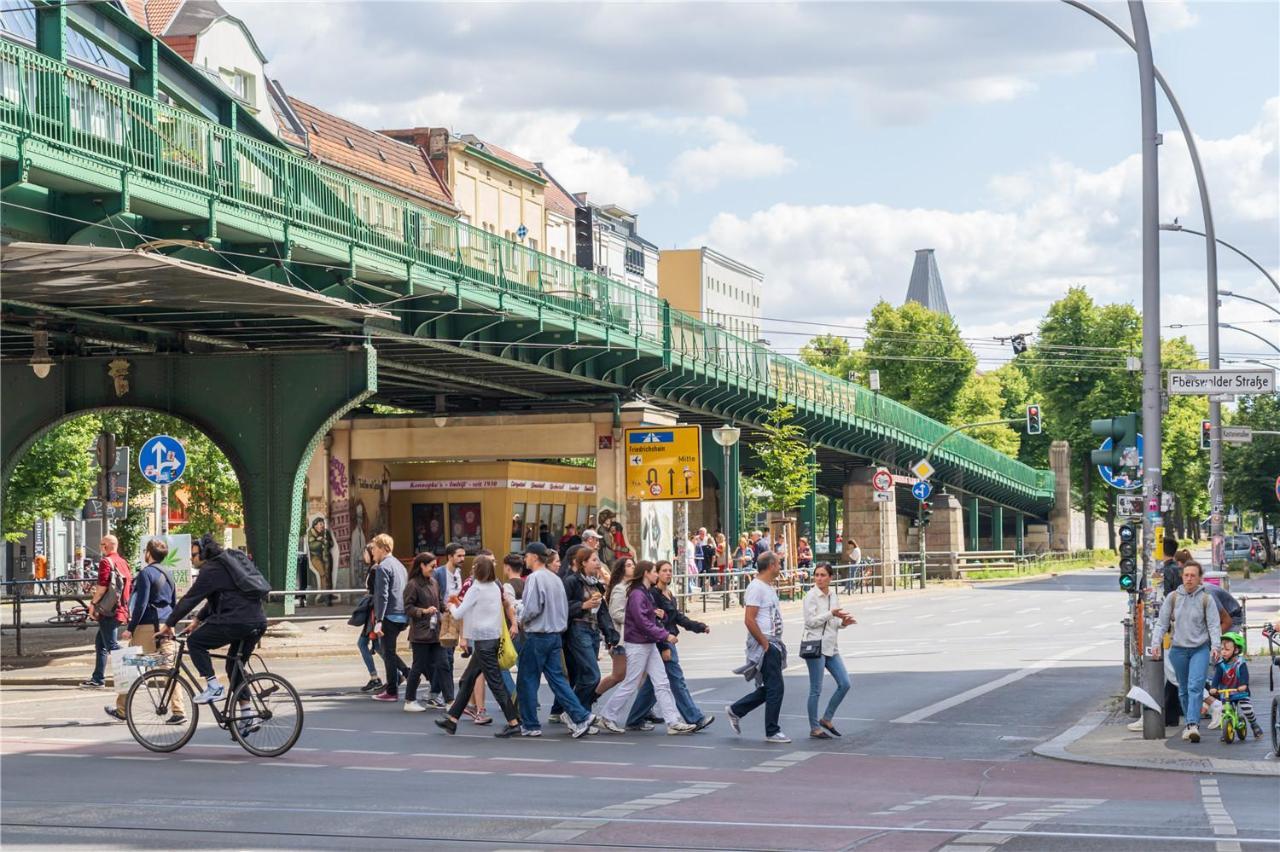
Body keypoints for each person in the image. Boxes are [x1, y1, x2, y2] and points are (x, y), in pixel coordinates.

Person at [157, 536, 267, 734]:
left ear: (204, 554)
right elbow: (217, 598)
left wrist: (168, 624)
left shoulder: (210, 570)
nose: (191, 559)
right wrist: (198, 621)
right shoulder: (228, 566)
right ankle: (247, 715)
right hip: (257, 621)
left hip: (236, 621)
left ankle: (213, 685)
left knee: (196, 642)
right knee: (235, 665)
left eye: (193, 555)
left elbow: (191, 598)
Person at [597, 561, 696, 736]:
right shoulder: (637, 594)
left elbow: (646, 616)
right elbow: (642, 622)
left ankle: (673, 721)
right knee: (631, 682)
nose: (657, 575)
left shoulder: (643, 593)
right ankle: (607, 715)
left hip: (647, 643)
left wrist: (660, 614)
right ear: (646, 574)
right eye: (654, 572)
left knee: (662, 682)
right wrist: (665, 635)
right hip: (637, 644)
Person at [515, 542, 596, 737]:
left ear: (534, 557)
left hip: (538, 635)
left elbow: (533, 608)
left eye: (526, 556)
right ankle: (580, 716)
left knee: (527, 680)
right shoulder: (556, 579)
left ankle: (531, 725)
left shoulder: (535, 578)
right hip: (555, 635)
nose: (525, 559)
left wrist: (520, 616)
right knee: (558, 680)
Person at [436, 555, 522, 738]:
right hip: (493, 638)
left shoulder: (475, 588)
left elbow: (459, 614)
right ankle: (452, 720)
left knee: (495, 683)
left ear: (478, 571)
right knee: (467, 680)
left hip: (482, 642)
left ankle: (513, 722)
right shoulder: (495, 586)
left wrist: (451, 605)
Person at [624, 559, 714, 732]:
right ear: (655, 573)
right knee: (676, 680)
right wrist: (664, 646)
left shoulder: (669, 594)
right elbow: (653, 622)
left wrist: (699, 627)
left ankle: (634, 719)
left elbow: (677, 618)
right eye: (663, 570)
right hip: (662, 641)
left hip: (666, 638)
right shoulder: (653, 594)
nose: (667, 573)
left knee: (653, 685)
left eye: (669, 571)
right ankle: (695, 718)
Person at [106, 538, 179, 723]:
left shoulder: (146, 573)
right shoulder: (169, 574)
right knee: (170, 668)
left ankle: (122, 709)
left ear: (148, 553)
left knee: (130, 665)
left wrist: (130, 629)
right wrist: (171, 623)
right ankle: (179, 711)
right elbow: (173, 602)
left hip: (147, 627)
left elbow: (141, 603)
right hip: (166, 625)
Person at [1150, 559, 1222, 743]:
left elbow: (1214, 626)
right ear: (1182, 576)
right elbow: (1162, 623)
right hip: (1179, 650)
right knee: (1182, 689)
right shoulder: (1173, 598)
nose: (1189, 579)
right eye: (1186, 575)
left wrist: (1216, 647)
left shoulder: (1207, 599)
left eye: (1193, 576)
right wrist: (1155, 643)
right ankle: (1190, 725)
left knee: (1195, 686)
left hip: (1200, 649)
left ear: (1199, 579)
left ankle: (1192, 725)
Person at [727, 551, 789, 743]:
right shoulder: (756, 587)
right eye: (778, 564)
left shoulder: (768, 586)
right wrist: (765, 644)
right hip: (766, 643)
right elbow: (749, 619)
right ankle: (772, 731)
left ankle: (736, 710)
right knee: (776, 688)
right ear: (770, 565)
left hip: (773, 643)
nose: (780, 567)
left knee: (771, 687)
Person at [802, 563, 855, 739]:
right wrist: (831, 614)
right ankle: (814, 727)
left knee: (845, 683)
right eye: (817, 575)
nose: (819, 578)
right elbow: (810, 622)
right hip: (816, 646)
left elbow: (833, 623)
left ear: (830, 578)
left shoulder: (833, 596)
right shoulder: (811, 596)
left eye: (823, 575)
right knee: (815, 689)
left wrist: (844, 623)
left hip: (832, 647)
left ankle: (827, 718)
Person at [81, 534, 133, 689]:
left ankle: (137, 672)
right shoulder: (123, 562)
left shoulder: (106, 562)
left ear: (108, 546)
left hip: (109, 610)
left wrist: (93, 603)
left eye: (102, 544)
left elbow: (102, 586)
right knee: (101, 644)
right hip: (121, 608)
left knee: (111, 646)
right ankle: (97, 679)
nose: (100, 547)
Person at [402, 552, 446, 712]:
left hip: (435, 631)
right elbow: (408, 608)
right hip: (420, 633)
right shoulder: (413, 584)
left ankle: (448, 699)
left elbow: (439, 602)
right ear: (422, 565)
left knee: (443, 664)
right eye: (432, 566)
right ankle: (409, 699)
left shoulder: (433, 582)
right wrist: (424, 611)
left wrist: (448, 607)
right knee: (418, 666)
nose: (434, 570)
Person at [368, 534, 410, 702]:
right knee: (389, 652)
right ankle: (406, 676)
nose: (372, 552)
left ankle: (392, 690)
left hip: (389, 615)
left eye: (374, 548)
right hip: (401, 614)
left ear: (383, 548)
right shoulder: (400, 566)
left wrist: (379, 620)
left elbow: (382, 596)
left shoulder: (383, 567)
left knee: (388, 653)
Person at [429, 543, 467, 706]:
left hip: (455, 617)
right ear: (449, 556)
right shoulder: (439, 573)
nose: (462, 559)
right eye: (459, 556)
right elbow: (434, 595)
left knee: (447, 657)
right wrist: (439, 614)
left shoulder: (459, 573)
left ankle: (434, 692)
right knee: (446, 658)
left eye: (463, 556)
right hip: (444, 618)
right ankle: (446, 696)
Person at [1206, 631, 1263, 740]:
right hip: (1226, 693)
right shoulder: (1220, 664)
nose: (1223, 652)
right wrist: (1213, 687)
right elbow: (1217, 677)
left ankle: (1254, 724)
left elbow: (1244, 675)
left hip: (1240, 692)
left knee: (1247, 708)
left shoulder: (1240, 663)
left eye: (1227, 650)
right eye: (1222, 649)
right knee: (1224, 710)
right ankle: (1225, 731)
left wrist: (1243, 685)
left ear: (1236, 650)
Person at [593, 557, 633, 703]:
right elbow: (615, 613)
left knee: (640, 675)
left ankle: (645, 710)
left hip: (630, 638)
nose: (632, 567)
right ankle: (589, 698)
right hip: (621, 640)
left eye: (633, 565)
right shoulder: (619, 589)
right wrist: (635, 620)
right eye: (629, 565)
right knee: (618, 676)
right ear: (622, 569)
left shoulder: (629, 587)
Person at [355, 544, 385, 693]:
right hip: (373, 612)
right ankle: (400, 673)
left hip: (373, 613)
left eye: (365, 553)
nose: (364, 556)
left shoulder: (375, 569)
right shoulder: (374, 569)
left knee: (362, 644)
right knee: (378, 646)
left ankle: (376, 678)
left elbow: (377, 592)